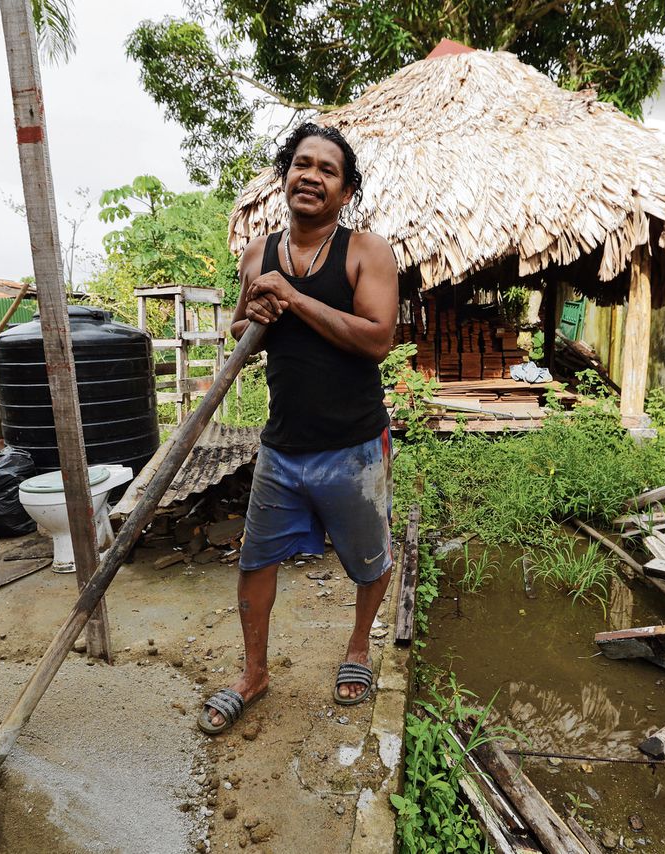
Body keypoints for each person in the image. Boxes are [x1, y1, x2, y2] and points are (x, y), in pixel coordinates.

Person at [199, 123, 399, 734]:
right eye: (301, 164)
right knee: (256, 561)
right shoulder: (257, 254)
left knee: (369, 559)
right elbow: (243, 330)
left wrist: (294, 296)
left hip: (354, 445)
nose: (311, 175)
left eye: (328, 170)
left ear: (345, 192)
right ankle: (254, 673)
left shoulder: (367, 251)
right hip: (281, 446)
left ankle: (359, 648)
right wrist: (251, 313)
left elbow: (378, 339)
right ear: (286, 175)